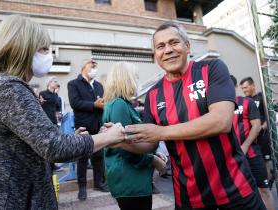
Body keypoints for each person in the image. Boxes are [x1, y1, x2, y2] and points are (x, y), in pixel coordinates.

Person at [0, 15, 124, 209]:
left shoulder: (1, 86)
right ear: (23, 49)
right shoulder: (8, 88)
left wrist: (83, 139)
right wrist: (110, 137)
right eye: (44, 49)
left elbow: (36, 146)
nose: (49, 55)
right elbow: (53, 147)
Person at [124, 22, 265, 210]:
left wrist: (160, 131)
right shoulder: (153, 95)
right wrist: (120, 140)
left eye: (174, 42)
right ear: (155, 55)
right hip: (189, 198)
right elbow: (150, 143)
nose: (168, 50)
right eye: (160, 46)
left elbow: (221, 121)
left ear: (187, 46)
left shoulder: (212, 69)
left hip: (236, 191)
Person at [102, 62, 166, 210]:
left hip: (128, 178)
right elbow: (125, 145)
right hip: (130, 178)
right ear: (126, 79)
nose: (138, 81)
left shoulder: (118, 103)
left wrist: (153, 152)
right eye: (136, 77)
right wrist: (153, 160)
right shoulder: (119, 105)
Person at [231, 75, 274, 210]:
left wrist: (244, 145)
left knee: (264, 190)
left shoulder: (246, 102)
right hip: (232, 159)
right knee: (241, 195)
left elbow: (256, 126)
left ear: (235, 87)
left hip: (252, 154)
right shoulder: (218, 108)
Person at [68, 58, 108, 201]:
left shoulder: (99, 85)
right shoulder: (73, 84)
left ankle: (99, 183)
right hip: (83, 125)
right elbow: (75, 103)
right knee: (83, 158)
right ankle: (82, 187)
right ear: (84, 67)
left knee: (98, 156)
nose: (95, 68)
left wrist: (103, 107)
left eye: (96, 66)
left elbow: (102, 102)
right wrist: (93, 105)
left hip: (98, 124)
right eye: (92, 65)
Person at [240, 77, 273, 179]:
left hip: (263, 136)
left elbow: (269, 116)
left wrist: (262, 127)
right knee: (258, 162)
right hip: (253, 139)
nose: (244, 90)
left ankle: (269, 184)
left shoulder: (261, 97)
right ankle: (265, 183)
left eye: (246, 87)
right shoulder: (246, 101)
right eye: (242, 89)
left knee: (266, 161)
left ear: (253, 85)